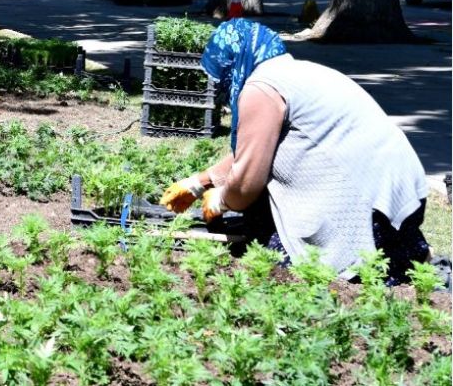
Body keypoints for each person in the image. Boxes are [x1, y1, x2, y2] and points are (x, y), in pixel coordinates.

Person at [160, 19, 430, 285]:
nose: (222, 87)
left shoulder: (261, 89)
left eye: (222, 75)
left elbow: (245, 186)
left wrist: (221, 199)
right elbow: (258, 147)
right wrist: (199, 182)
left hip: (367, 206)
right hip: (401, 192)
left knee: (281, 273)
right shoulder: (292, 72)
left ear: (234, 62)